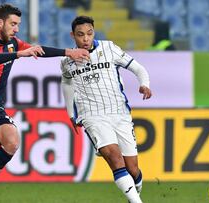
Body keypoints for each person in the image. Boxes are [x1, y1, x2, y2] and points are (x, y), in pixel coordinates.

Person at [0, 4, 89, 203]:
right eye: (13, 24)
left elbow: (38, 50)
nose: (16, 29)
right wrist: (18, 54)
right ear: (0, 23)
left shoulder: (14, 42)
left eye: (18, 24)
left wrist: (68, 52)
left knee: (12, 142)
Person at [60, 16, 152, 203]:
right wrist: (71, 112)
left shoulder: (109, 48)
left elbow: (138, 68)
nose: (85, 39)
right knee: (114, 157)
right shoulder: (67, 61)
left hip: (119, 113)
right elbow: (66, 82)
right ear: (73, 36)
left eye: (89, 33)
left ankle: (135, 194)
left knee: (132, 168)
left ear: (94, 31)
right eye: (80, 35)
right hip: (92, 116)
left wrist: (144, 84)